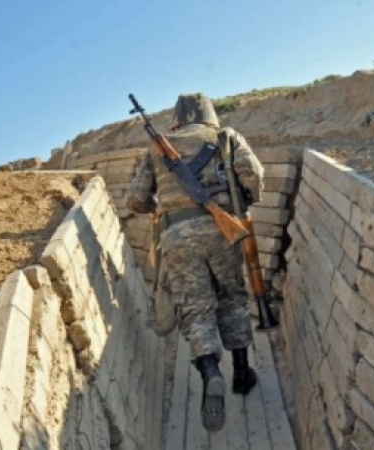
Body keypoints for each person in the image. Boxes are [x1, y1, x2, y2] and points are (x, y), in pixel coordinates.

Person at [125, 92, 265, 432]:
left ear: (177, 118)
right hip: (223, 231)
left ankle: (210, 372)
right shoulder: (225, 137)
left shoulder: (156, 149)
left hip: (176, 236)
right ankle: (242, 374)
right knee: (232, 298)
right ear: (210, 114)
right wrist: (240, 202)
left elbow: (135, 199)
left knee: (195, 308)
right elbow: (254, 176)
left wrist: (162, 208)